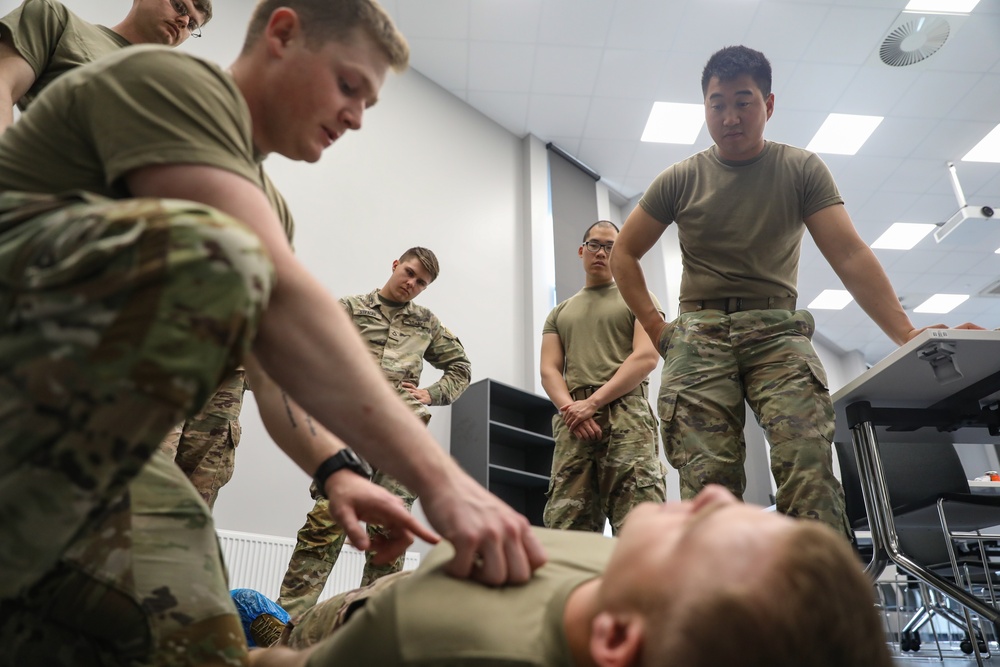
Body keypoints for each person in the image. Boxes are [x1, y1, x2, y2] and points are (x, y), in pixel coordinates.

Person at [0, 1, 545, 665]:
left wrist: (338, 469)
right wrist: (445, 483)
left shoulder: (267, 211)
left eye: (369, 103)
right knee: (224, 253)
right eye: (349, 86)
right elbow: (281, 300)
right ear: (282, 34)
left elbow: (273, 370)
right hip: (20, 367)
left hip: (90, 445)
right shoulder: (170, 85)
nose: (356, 117)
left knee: (202, 628)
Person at [610, 45, 982, 538]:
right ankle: (724, 607)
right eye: (717, 104)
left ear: (768, 104)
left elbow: (848, 254)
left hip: (776, 332)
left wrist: (907, 333)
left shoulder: (800, 169)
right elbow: (624, 254)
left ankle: (819, 604)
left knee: (808, 466)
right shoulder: (680, 179)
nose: (730, 116)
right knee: (707, 486)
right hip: (698, 334)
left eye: (743, 101)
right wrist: (659, 330)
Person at [247, 485, 894, 667]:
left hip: (337, 629)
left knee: (241, 623)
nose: (715, 491)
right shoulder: (639, 581)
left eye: (697, 526)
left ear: (615, 638)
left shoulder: (442, 646)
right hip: (395, 583)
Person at [279, 246, 471, 616]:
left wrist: (431, 394)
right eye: (409, 273)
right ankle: (286, 621)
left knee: (389, 535)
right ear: (396, 265)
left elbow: (460, 368)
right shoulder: (349, 309)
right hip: (351, 432)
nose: (412, 284)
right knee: (325, 524)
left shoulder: (426, 322)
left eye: (421, 282)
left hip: (402, 441)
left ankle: (371, 625)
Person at [539, 220, 665, 535]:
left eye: (611, 246)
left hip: (626, 417)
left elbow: (647, 357)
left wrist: (591, 403)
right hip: (574, 423)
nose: (601, 252)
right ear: (582, 251)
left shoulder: (639, 297)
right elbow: (549, 369)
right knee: (567, 528)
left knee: (639, 525)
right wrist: (572, 410)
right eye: (595, 244)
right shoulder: (560, 312)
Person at [0, 0, 212, 133]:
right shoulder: (57, 20)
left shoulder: (171, 94)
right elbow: (3, 83)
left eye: (193, 24)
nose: (184, 21)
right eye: (179, 6)